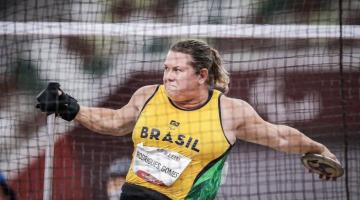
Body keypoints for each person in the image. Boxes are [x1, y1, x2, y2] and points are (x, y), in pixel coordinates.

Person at [36, 39, 340, 200]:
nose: (168, 76)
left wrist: (317, 149)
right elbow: (115, 121)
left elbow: (281, 137)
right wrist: (70, 106)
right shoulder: (147, 95)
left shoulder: (229, 112)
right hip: (138, 194)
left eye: (177, 70)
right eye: (167, 68)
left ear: (202, 75)